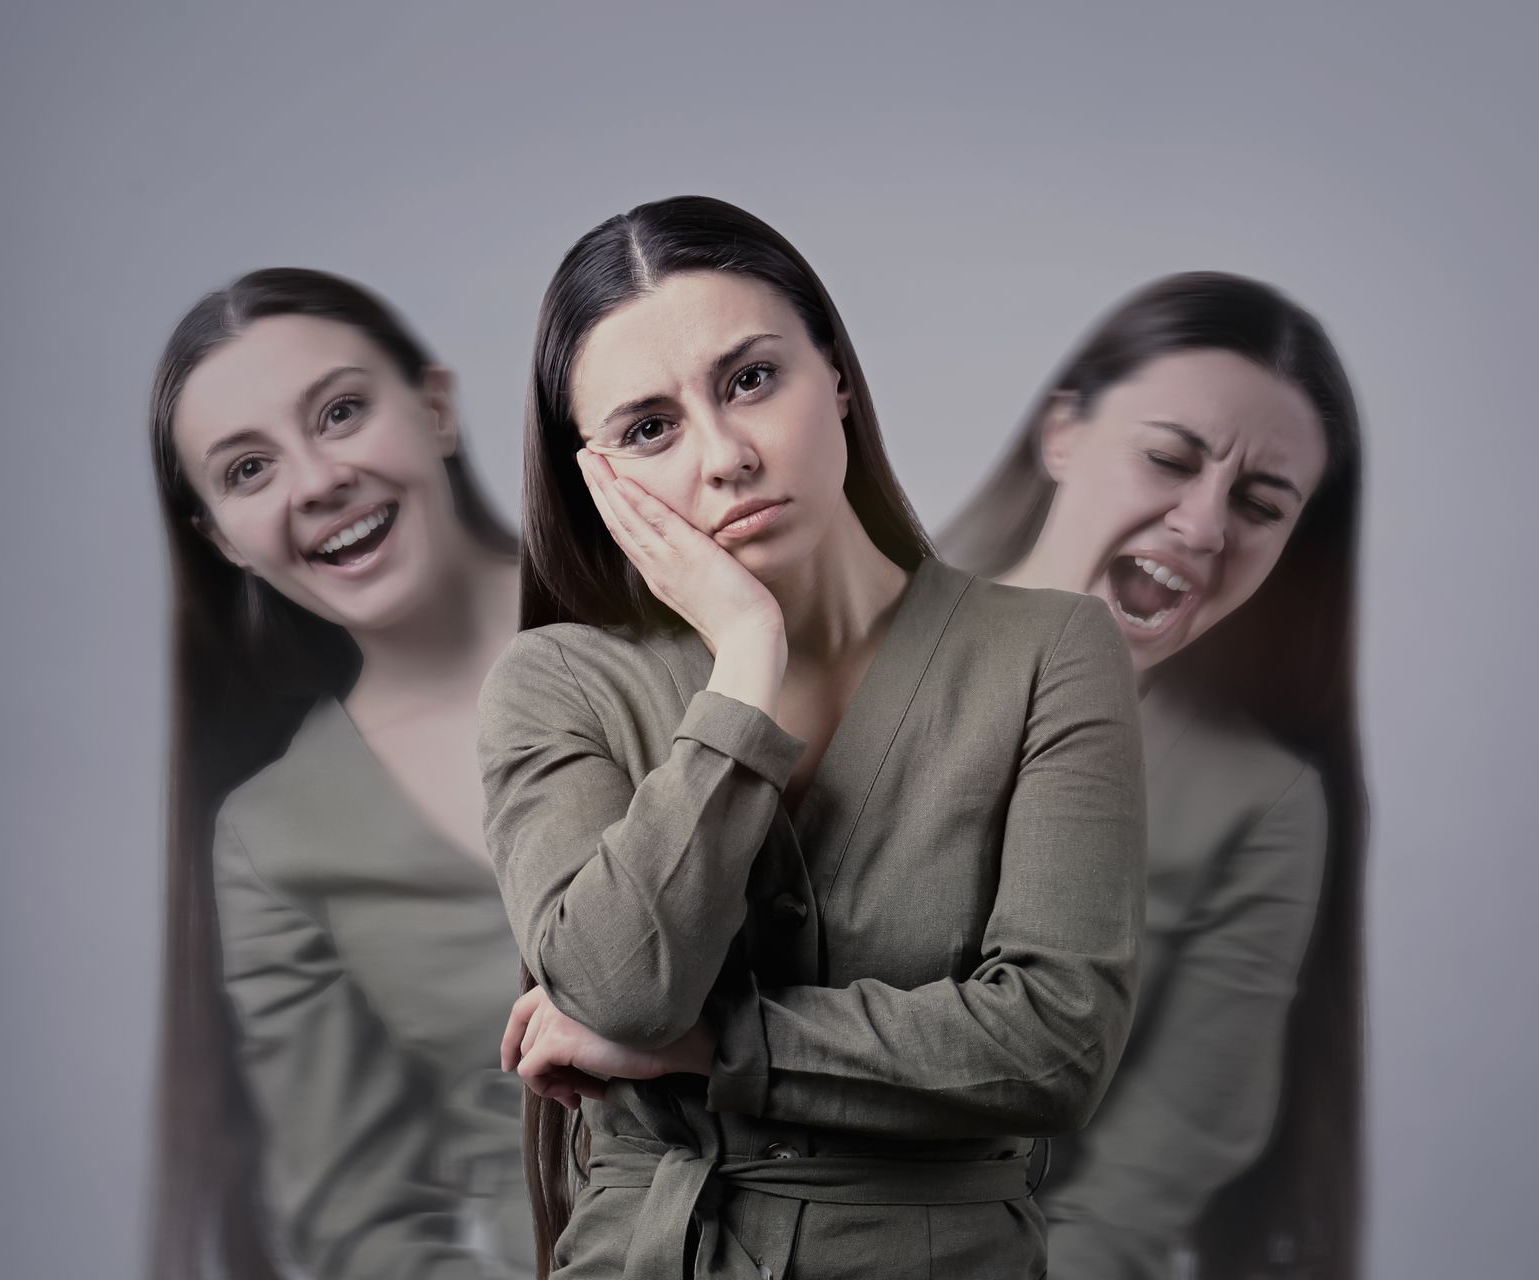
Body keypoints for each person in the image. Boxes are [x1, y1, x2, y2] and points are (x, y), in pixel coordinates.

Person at [476, 195, 1147, 1280]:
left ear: (832, 370)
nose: (726, 455)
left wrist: (708, 1047)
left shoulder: (1050, 650)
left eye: (750, 379)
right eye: (650, 428)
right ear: (596, 476)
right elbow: (620, 988)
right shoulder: (557, 683)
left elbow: (1055, 1046)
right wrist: (747, 654)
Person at [941, 271, 1368, 1280]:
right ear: (1063, 432)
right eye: (1170, 458)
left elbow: (1150, 1170)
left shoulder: (1255, 802)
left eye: (1262, 504)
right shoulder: (814, 645)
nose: (1206, 525)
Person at [146, 268, 531, 1279]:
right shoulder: (278, 835)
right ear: (219, 538)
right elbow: (364, 1226)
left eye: (342, 411)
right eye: (247, 471)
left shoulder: (688, 597)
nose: (317, 481)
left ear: (437, 408)